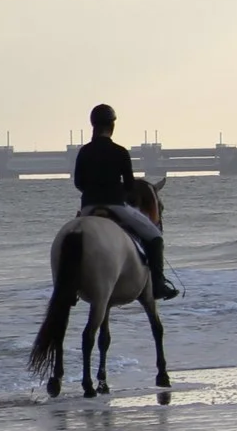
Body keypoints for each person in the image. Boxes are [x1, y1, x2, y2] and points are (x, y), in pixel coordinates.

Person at [74, 103, 178, 300]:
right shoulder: (119, 151)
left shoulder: (84, 152)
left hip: (88, 207)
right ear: (112, 126)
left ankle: (69, 289)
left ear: (93, 125)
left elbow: (78, 183)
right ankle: (158, 285)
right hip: (115, 206)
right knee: (155, 237)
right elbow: (130, 185)